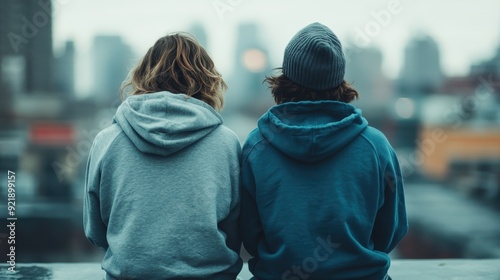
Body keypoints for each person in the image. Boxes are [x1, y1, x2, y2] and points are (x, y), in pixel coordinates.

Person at [240, 22, 408, 280]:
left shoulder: (257, 146)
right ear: (339, 80)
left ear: (285, 80)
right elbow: (392, 229)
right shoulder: (375, 146)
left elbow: (249, 233)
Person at [83, 33, 242, 280]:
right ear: (206, 79)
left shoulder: (107, 140)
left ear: (144, 75)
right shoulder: (227, 143)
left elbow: (95, 230)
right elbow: (236, 228)